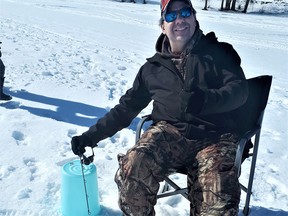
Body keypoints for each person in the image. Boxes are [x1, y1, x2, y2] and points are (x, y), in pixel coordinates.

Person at [71, 0, 249, 215]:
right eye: (171, 16)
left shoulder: (220, 53)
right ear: (163, 26)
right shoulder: (152, 69)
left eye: (185, 12)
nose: (180, 19)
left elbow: (239, 91)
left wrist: (207, 100)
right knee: (134, 165)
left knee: (217, 199)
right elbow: (126, 108)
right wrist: (90, 137)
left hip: (216, 137)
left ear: (194, 17)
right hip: (170, 134)